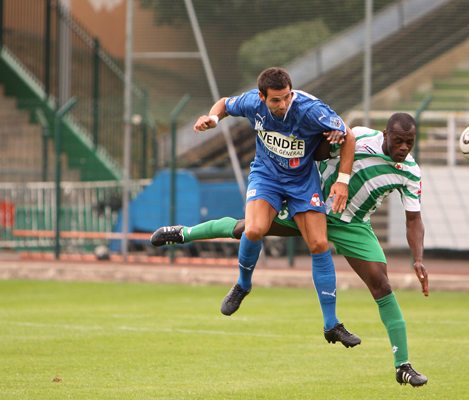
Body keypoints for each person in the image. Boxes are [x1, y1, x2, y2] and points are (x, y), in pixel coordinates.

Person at [152, 113, 429, 387]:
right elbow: (319, 152)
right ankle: (183, 233)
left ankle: (402, 365)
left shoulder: (410, 172)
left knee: (382, 285)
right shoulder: (359, 138)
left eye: (410, 142)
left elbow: (413, 220)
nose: (404, 147)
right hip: (311, 207)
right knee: (248, 228)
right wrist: (330, 136)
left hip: (352, 224)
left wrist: (418, 259)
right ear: (385, 134)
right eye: (398, 141)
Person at [187, 67, 359, 348]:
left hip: (302, 180)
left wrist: (342, 181)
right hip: (267, 176)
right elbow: (225, 103)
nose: (282, 104)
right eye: (275, 100)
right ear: (261, 97)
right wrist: (213, 118)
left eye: (286, 97)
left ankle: (331, 325)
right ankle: (243, 285)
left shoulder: (311, 109)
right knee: (254, 229)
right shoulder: (252, 103)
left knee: (319, 244)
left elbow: (347, 135)